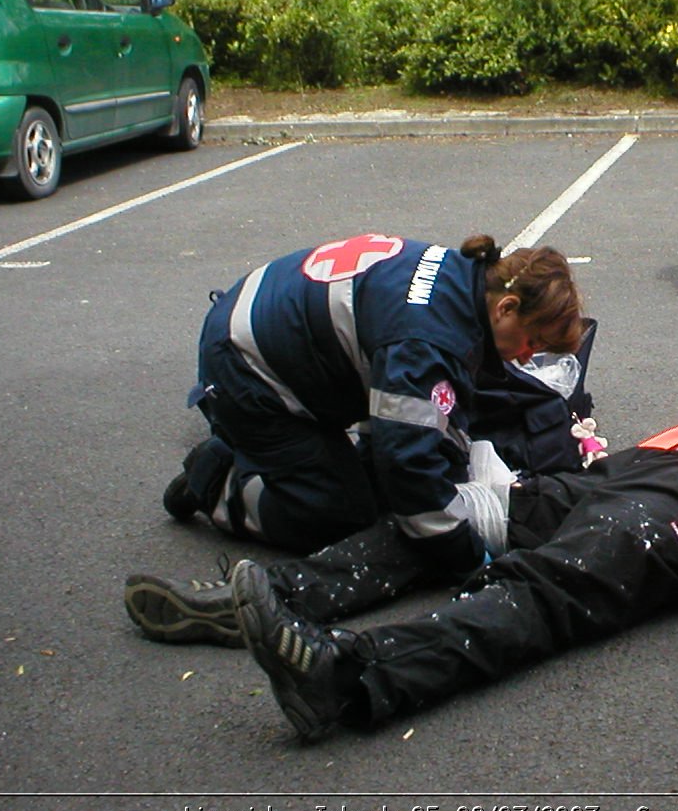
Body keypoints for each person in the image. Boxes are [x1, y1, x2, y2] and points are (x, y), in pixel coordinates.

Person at [133, 389, 678, 740]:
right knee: (447, 522)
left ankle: (344, 678)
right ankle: (274, 594)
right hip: (630, 475)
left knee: (539, 591)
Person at [160, 232, 584, 571]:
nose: (529, 356)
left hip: (267, 333)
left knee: (389, 474)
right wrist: (466, 555)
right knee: (342, 514)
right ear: (507, 308)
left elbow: (433, 417)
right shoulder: (427, 341)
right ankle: (218, 480)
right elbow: (408, 465)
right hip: (244, 372)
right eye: (534, 341)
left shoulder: (462, 280)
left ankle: (258, 452)